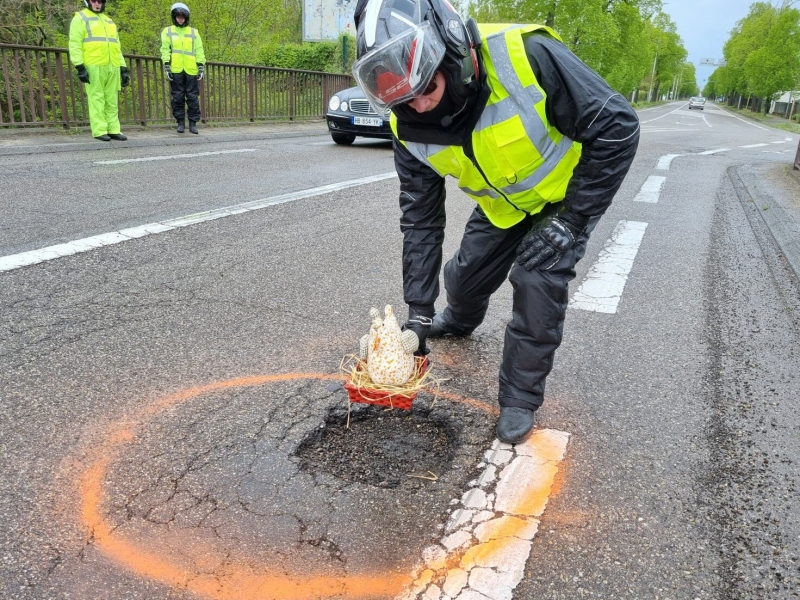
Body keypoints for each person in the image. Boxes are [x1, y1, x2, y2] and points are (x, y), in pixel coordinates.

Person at [352, 0, 640, 443]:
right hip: (503, 207)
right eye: (405, 100)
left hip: (564, 202)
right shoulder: (407, 126)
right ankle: (460, 319)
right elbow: (421, 221)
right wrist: (419, 313)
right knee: (464, 280)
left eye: (427, 88)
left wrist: (575, 220)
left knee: (537, 280)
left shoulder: (526, 56)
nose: (421, 106)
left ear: (453, 54)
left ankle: (520, 398)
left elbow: (616, 126)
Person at [68, 0, 130, 141]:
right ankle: (100, 130)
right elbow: (75, 43)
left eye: (100, 1)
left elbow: (116, 46)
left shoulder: (109, 21)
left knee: (112, 99)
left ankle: (113, 129)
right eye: (94, 1)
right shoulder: (80, 18)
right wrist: (79, 66)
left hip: (112, 65)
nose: (97, 4)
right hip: (94, 65)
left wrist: (123, 67)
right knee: (96, 98)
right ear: (88, 2)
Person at [161, 3, 206, 134]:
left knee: (192, 97)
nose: (180, 19)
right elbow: (165, 49)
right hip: (176, 69)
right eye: (178, 16)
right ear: (174, 17)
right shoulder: (167, 31)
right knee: (177, 97)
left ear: (186, 18)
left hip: (191, 70)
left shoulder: (193, 32)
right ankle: (180, 122)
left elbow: (199, 50)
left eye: (182, 17)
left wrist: (201, 66)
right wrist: (167, 65)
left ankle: (193, 123)